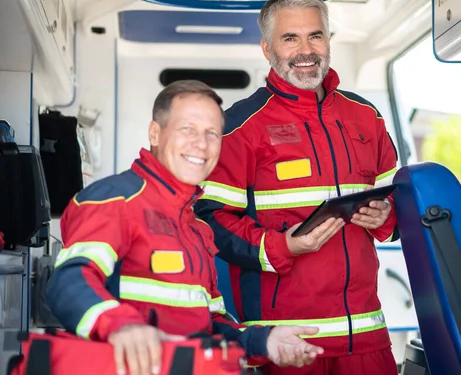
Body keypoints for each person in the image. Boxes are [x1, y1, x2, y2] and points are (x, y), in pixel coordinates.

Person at [45, 80, 325, 375]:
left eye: (212, 133)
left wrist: (264, 342)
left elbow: (209, 326)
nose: (201, 144)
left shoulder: (197, 228)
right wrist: (121, 326)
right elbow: (68, 280)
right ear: (155, 133)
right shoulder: (116, 199)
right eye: (187, 129)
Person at [193, 0, 400, 375]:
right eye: (291, 39)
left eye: (315, 36)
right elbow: (210, 223)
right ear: (267, 48)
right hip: (286, 339)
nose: (306, 50)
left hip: (367, 337)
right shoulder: (239, 127)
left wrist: (386, 218)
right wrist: (282, 246)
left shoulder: (366, 117)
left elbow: (399, 205)